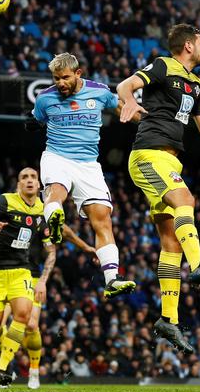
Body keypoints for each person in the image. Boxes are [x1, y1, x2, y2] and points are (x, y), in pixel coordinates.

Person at [117, 24, 200, 354]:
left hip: (170, 161)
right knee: (186, 198)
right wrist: (128, 102)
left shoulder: (197, 85)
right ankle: (198, 264)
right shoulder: (162, 65)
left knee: (170, 239)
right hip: (148, 154)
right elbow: (125, 85)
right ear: (188, 45)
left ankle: (167, 319)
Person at [27, 52, 136, 300]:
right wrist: (31, 122)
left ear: (78, 73)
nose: (60, 83)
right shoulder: (45, 98)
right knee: (56, 191)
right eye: (56, 79)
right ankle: (54, 216)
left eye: (65, 77)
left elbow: (121, 107)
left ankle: (112, 280)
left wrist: (147, 121)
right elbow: (35, 119)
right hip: (57, 156)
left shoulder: (99, 91)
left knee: (103, 219)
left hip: (88, 165)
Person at [0, 167, 55, 386]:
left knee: (24, 316)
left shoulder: (42, 211)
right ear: (19, 184)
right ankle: (6, 360)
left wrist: (43, 278)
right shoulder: (6, 201)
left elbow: (50, 246)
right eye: (24, 177)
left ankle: (2, 368)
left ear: (38, 185)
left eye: (33, 177)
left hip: (20, 270)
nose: (29, 181)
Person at [4, 223, 96, 389]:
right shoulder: (9, 207)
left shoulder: (43, 213)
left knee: (31, 325)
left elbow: (64, 231)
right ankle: (6, 368)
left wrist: (86, 247)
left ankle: (33, 371)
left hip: (32, 277)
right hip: (6, 274)